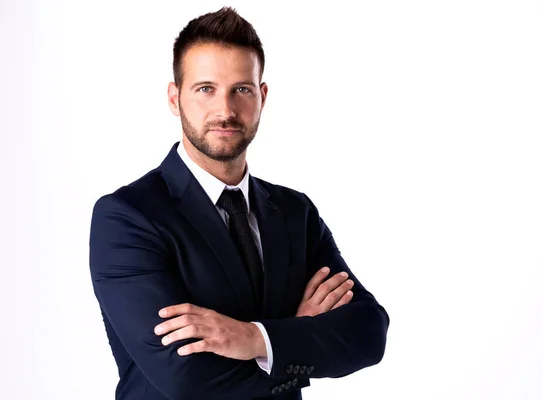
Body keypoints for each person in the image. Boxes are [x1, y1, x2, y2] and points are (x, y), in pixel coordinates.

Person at [89, 7, 389, 400]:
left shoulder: (295, 213)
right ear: (174, 98)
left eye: (241, 89)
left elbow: (368, 332)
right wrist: (292, 338)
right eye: (206, 89)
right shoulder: (127, 217)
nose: (225, 111)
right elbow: (187, 378)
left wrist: (253, 338)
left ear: (262, 96)